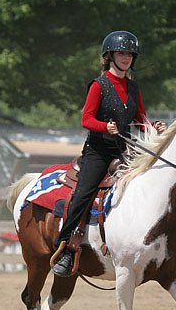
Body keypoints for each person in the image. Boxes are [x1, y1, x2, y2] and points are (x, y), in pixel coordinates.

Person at [51, 30, 166, 277]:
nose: (126, 58)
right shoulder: (98, 85)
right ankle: (65, 248)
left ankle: (163, 245)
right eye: (121, 53)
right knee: (82, 194)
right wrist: (106, 127)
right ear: (109, 56)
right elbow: (86, 119)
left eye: (130, 54)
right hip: (98, 152)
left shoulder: (133, 88)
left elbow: (140, 119)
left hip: (125, 152)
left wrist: (153, 127)